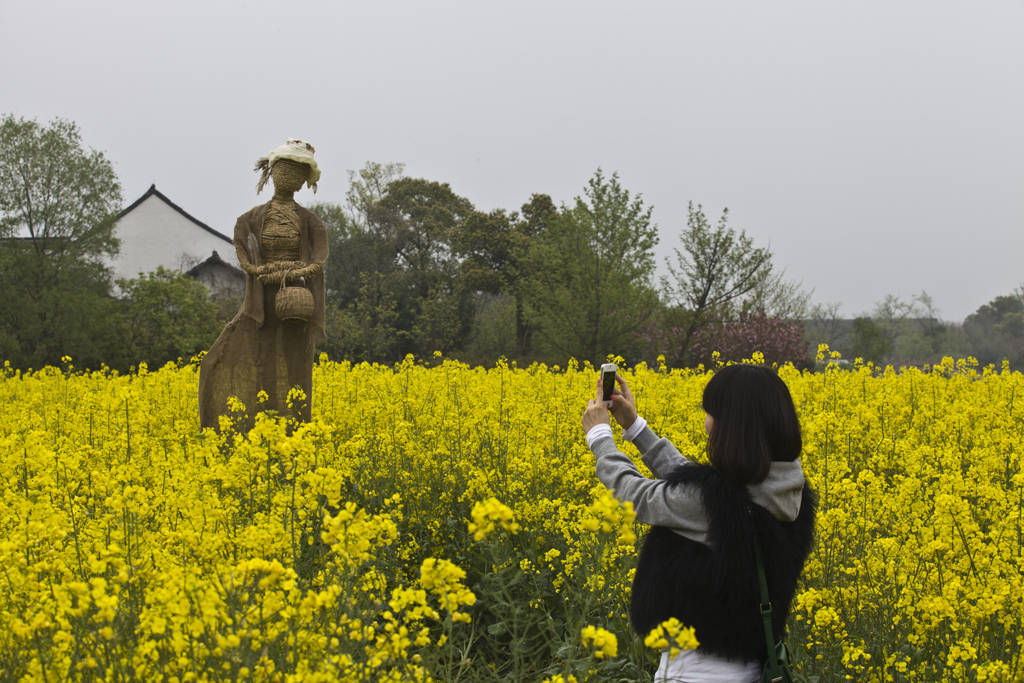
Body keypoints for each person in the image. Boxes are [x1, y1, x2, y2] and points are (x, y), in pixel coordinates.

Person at [580, 365, 816, 682]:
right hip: (751, 667)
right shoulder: (786, 490)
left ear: (733, 427)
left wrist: (599, 437)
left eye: (711, 413)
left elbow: (635, 495)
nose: (706, 423)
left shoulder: (715, 503)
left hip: (696, 672)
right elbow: (704, 491)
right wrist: (636, 429)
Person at [198, 139, 328, 429]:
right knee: (238, 358)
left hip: (295, 301)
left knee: (295, 365)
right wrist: (257, 270)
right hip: (261, 302)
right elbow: (242, 247)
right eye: (284, 170)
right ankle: (240, 428)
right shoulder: (252, 218)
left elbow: (319, 256)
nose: (289, 178)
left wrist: (301, 269)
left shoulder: (310, 220)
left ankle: (293, 430)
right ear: (272, 173)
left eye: (297, 173)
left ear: (303, 181)